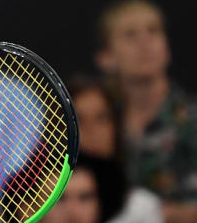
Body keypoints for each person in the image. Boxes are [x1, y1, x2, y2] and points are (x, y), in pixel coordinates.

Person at [95, 0, 197, 223]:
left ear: (167, 48)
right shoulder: (97, 122)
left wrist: (159, 215)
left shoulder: (193, 119)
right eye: (130, 34)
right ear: (106, 58)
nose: (145, 43)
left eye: (153, 31)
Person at [66, 75, 163, 222]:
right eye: (79, 120)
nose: (92, 130)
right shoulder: (38, 204)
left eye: (101, 118)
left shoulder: (142, 207)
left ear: (116, 127)